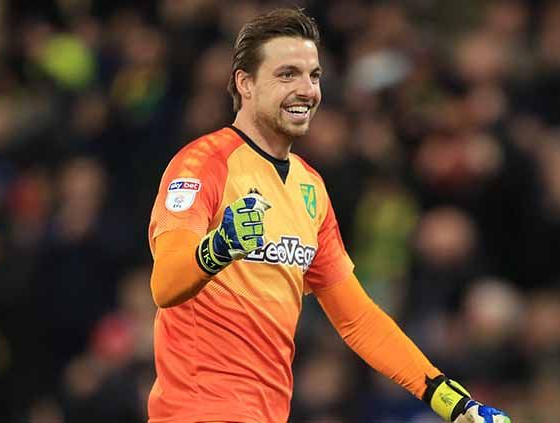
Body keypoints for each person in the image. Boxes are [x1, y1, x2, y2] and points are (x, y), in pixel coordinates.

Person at [147, 7, 511, 423]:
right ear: (245, 83)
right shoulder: (202, 165)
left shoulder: (310, 188)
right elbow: (166, 282)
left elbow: (357, 318)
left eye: (314, 75)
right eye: (287, 74)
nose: (307, 90)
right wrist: (219, 246)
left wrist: (449, 399)